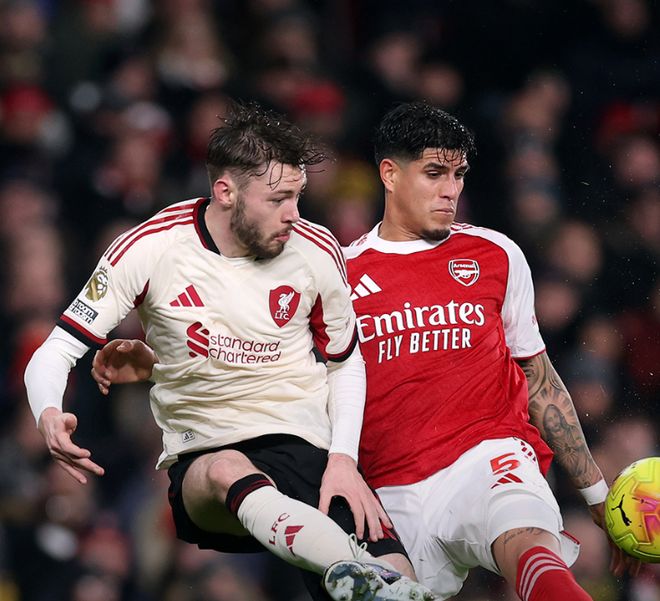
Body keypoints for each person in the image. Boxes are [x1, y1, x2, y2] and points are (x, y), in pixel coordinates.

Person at [89, 102, 641, 600]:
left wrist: (596, 493)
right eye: (434, 174)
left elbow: (539, 379)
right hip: (387, 490)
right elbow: (256, 362)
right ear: (390, 174)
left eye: (458, 175)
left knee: (528, 543)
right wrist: (158, 365)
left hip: (487, 455)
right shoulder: (335, 272)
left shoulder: (496, 254)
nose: (450, 190)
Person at [23, 101, 439, 601]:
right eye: (278, 199)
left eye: (298, 196)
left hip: (303, 444)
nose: (294, 214)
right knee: (226, 469)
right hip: (205, 456)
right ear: (226, 192)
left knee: (401, 575)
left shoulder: (316, 249)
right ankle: (363, 574)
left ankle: (377, 580)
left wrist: (344, 460)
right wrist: (48, 413)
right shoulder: (153, 247)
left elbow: (344, 361)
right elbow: (57, 349)